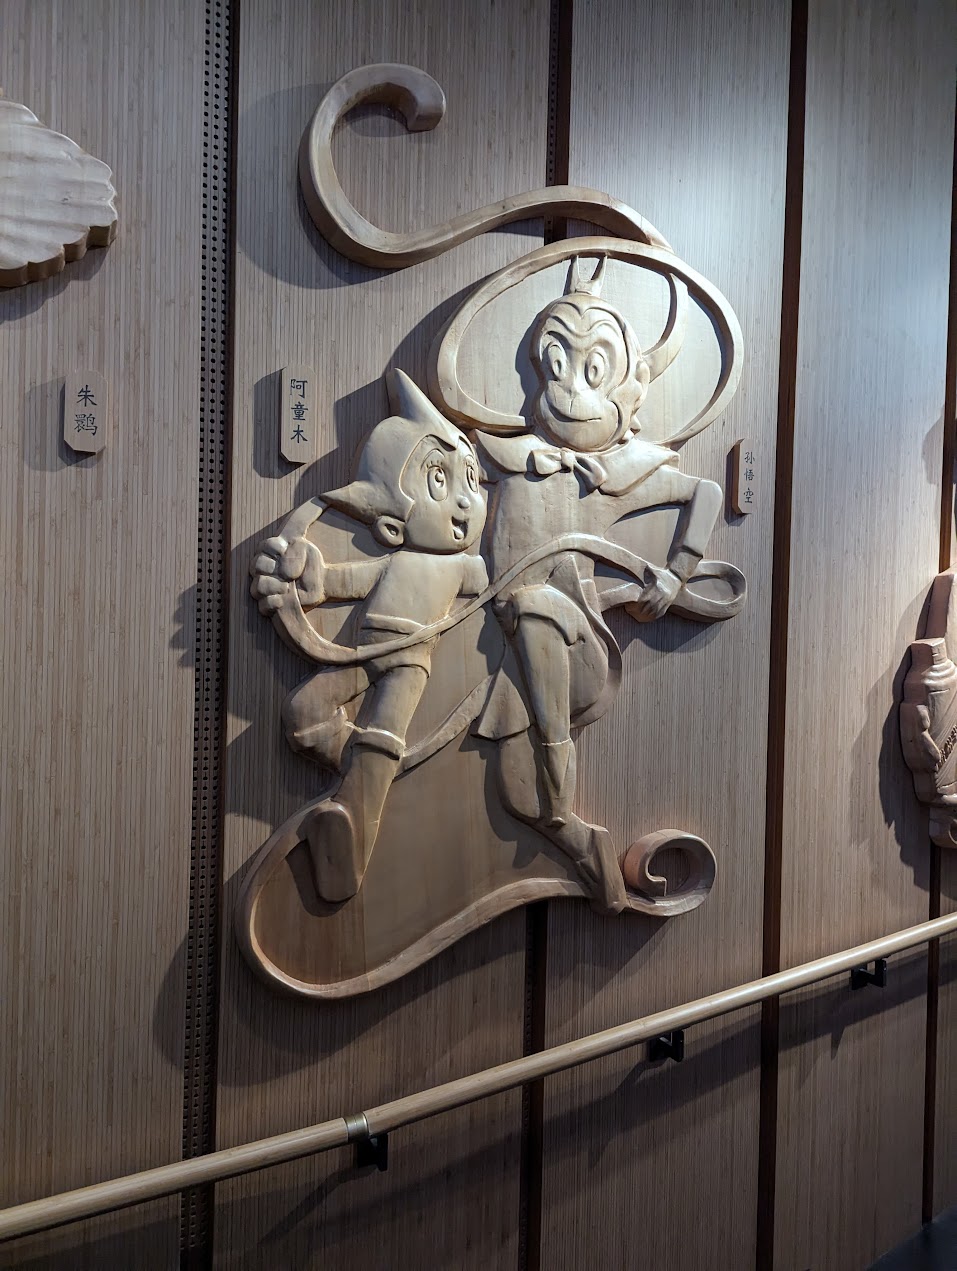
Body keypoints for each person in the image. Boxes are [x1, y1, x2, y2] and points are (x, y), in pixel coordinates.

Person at [250, 373, 487, 902]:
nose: (465, 502)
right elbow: (346, 581)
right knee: (303, 713)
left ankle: (350, 852)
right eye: (439, 480)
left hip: (408, 664)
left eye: (471, 480)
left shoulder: (462, 568)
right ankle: (361, 775)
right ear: (391, 528)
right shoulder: (395, 559)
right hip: (366, 649)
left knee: (382, 736)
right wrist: (305, 582)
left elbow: (497, 583)